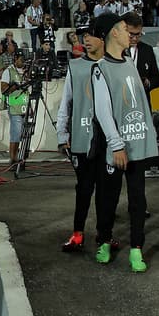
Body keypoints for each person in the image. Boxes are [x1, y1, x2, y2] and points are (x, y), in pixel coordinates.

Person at [90, 13, 157, 272]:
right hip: (118, 147)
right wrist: (116, 144)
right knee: (109, 197)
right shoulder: (101, 69)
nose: (128, 33)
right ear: (113, 34)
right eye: (122, 28)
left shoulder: (130, 61)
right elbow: (103, 111)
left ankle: (137, 248)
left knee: (138, 200)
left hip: (137, 142)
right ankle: (105, 240)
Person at [57, 25, 106, 252]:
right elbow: (66, 102)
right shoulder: (75, 66)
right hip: (81, 138)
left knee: (106, 190)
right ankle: (78, 233)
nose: (85, 40)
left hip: (107, 139)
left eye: (90, 35)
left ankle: (105, 235)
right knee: (84, 188)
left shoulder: (113, 64)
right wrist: (62, 134)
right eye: (83, 36)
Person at [123, 13, 159, 103]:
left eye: (138, 35)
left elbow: (157, 78)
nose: (135, 38)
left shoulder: (147, 49)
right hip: (121, 100)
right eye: (131, 35)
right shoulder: (115, 50)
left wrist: (147, 82)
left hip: (142, 100)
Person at [0, 52, 30, 171]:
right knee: (16, 134)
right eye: (21, 59)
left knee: (22, 135)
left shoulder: (26, 72)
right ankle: (13, 159)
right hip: (14, 107)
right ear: (15, 59)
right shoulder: (8, 71)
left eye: (24, 60)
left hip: (25, 107)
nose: (23, 62)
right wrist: (15, 86)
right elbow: (3, 89)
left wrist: (31, 108)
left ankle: (19, 158)